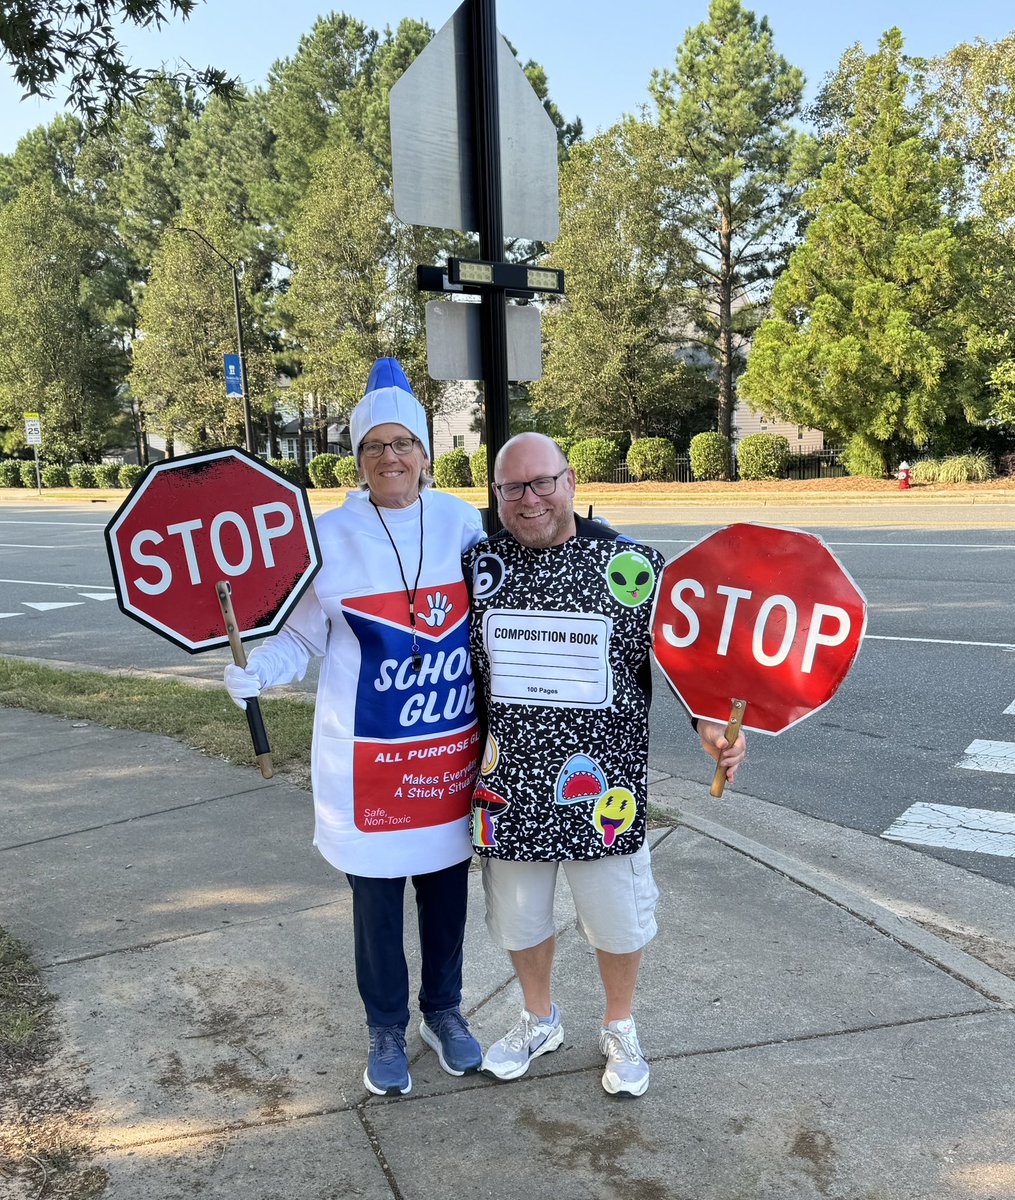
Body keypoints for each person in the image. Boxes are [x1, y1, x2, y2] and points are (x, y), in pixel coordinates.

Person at [224, 358, 485, 1098]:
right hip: (365, 763)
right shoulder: (326, 537)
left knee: (445, 893)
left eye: (404, 443)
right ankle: (385, 1026)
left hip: (444, 753)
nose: (391, 458)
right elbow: (300, 638)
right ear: (359, 458)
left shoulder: (463, 523)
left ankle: (445, 1012)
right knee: (375, 905)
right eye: (376, 446)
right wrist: (258, 672)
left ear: (427, 454)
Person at [464, 432, 745, 1098]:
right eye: (511, 488)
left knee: (617, 920)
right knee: (517, 919)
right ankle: (539, 1018)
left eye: (541, 482)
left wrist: (712, 728)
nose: (527, 499)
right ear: (497, 495)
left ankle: (619, 1025)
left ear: (570, 481)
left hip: (604, 789)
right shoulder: (476, 567)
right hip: (508, 786)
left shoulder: (636, 566)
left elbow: (689, 662)